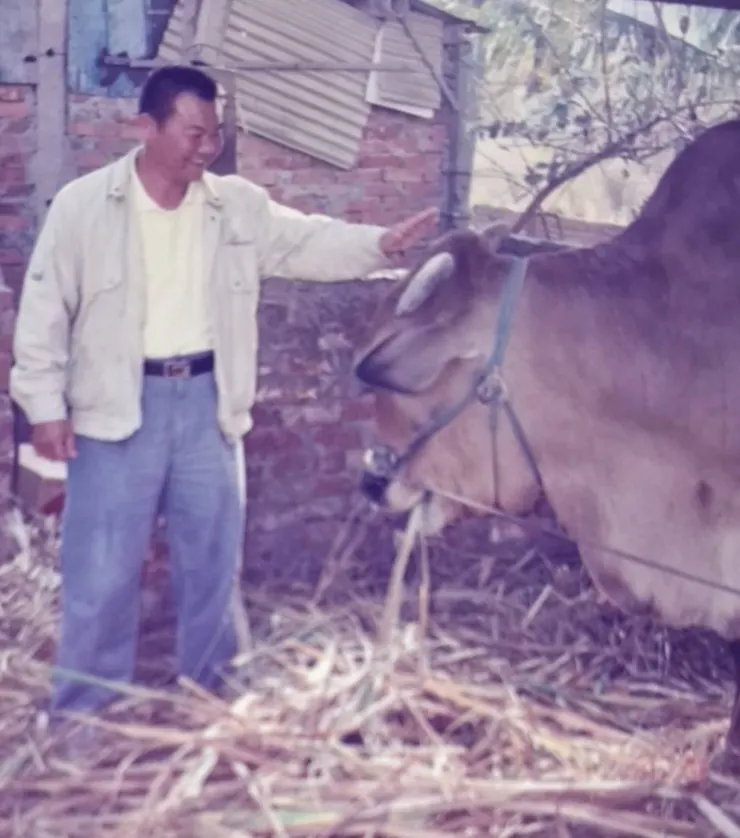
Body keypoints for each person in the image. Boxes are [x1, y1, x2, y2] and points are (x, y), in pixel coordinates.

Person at [10, 64, 438, 725]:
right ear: (145, 128)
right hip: (115, 411)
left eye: (213, 134)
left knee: (212, 567)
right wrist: (44, 408)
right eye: (193, 133)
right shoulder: (83, 207)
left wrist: (379, 244)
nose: (206, 148)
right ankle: (82, 720)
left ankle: (212, 707)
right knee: (101, 576)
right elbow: (43, 314)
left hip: (208, 408)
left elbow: (305, 239)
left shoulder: (234, 205)